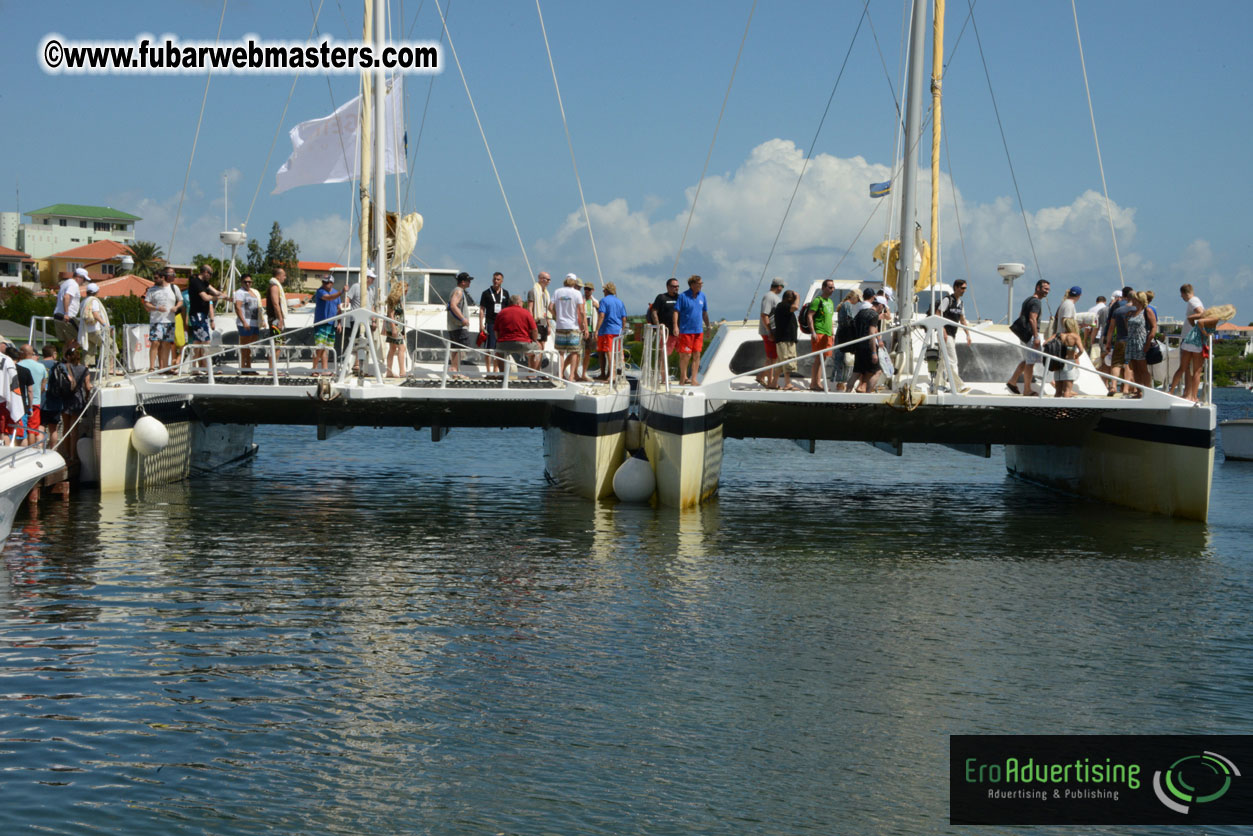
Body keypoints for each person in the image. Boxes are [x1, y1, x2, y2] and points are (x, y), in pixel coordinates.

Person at [1006, 279, 1050, 396]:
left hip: (1024, 335)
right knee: (1030, 363)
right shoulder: (1036, 302)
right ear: (1038, 288)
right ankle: (1027, 390)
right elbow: (1032, 318)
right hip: (1030, 335)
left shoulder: (1027, 300)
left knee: (1027, 360)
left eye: (1048, 289)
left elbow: (1021, 316)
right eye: (1045, 289)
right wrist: (1036, 336)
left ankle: (1012, 381)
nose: (1047, 291)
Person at [187, 263, 225, 374]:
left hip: (203, 315)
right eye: (210, 274)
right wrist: (217, 297)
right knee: (206, 341)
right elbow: (205, 297)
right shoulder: (196, 282)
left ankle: (195, 367)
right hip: (197, 314)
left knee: (198, 341)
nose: (211, 276)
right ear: (205, 272)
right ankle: (206, 367)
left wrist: (226, 296)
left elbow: (215, 291)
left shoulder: (205, 283)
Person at [937, 279, 972, 394]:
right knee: (952, 360)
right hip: (945, 334)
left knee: (943, 360)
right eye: (962, 288)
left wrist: (968, 334)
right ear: (956, 288)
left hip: (953, 334)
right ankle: (958, 386)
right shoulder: (947, 300)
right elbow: (938, 314)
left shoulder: (960, 303)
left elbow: (962, 319)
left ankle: (939, 384)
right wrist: (942, 330)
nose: (964, 290)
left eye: (965, 288)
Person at [673, 275, 710, 386]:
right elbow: (676, 312)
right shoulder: (683, 296)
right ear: (693, 284)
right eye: (699, 283)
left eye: (702, 283)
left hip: (698, 331)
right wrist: (675, 326)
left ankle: (694, 379)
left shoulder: (702, 296)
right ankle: (682, 377)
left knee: (697, 355)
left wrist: (708, 326)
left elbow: (704, 313)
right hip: (686, 331)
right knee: (686, 355)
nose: (701, 285)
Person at [143, 269, 181, 374]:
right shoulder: (151, 290)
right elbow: (146, 303)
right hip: (156, 320)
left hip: (169, 320)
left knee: (166, 344)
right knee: (155, 342)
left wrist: (176, 307)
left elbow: (180, 300)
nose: (154, 280)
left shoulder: (174, 288)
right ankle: (151, 367)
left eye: (156, 278)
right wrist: (156, 308)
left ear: (163, 277)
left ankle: (164, 367)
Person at [550, 274, 586, 381]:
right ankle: (571, 376)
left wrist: (557, 316)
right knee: (574, 352)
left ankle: (560, 375)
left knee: (561, 352)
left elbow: (550, 307)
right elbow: (582, 311)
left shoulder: (557, 291)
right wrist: (583, 324)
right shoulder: (577, 293)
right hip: (573, 326)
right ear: (574, 282)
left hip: (560, 325)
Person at [849, 295, 888, 393]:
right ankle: (868, 394)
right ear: (880, 305)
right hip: (868, 347)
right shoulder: (874, 315)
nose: (882, 310)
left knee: (856, 373)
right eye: (883, 307)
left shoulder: (861, 312)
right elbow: (871, 333)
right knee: (877, 371)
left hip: (858, 346)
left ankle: (846, 393)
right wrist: (874, 352)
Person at [493, 294, 542, 371]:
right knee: (538, 347)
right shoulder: (526, 312)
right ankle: (532, 374)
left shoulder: (501, 313)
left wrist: (500, 340)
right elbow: (535, 330)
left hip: (504, 344)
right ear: (518, 303)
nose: (522, 303)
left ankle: (502, 373)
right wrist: (534, 340)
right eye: (522, 302)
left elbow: (496, 331)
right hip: (523, 344)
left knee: (499, 352)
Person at [803, 279, 836, 392]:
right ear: (823, 288)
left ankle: (817, 382)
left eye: (833, 287)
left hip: (828, 334)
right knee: (819, 358)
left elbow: (830, 319)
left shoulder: (830, 302)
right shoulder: (818, 300)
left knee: (824, 358)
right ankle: (815, 383)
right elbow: (810, 315)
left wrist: (832, 333)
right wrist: (813, 331)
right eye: (830, 287)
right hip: (819, 332)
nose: (832, 289)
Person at [1102, 286, 1135, 396]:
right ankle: (1126, 388)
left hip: (1120, 340)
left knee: (1116, 363)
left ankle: (1113, 386)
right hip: (1132, 341)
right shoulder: (1137, 310)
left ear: (1124, 296)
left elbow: (1111, 328)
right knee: (1128, 365)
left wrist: (1108, 342)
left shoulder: (1118, 310)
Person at [1177, 283, 1206, 401]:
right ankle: (1189, 394)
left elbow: (1201, 313)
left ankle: (1188, 394)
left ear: (1184, 293)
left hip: (1189, 339)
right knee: (1190, 368)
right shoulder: (1196, 300)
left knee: (1187, 367)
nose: (1181, 297)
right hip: (1193, 338)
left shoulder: (1192, 301)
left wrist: (1191, 319)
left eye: (1181, 295)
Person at [312, 275, 346, 375]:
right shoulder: (320, 291)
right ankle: (314, 369)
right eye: (324, 282)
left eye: (327, 282)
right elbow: (329, 298)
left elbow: (339, 309)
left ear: (332, 283)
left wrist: (339, 322)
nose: (325, 284)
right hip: (321, 323)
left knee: (326, 348)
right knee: (319, 347)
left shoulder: (336, 293)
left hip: (331, 324)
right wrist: (342, 292)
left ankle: (325, 369)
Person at [594, 283, 627, 381]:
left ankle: (609, 374)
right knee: (615, 352)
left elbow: (601, 315)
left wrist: (596, 330)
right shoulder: (620, 302)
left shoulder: (604, 301)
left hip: (606, 330)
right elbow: (624, 318)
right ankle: (610, 373)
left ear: (606, 291)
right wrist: (622, 329)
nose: (603, 292)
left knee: (606, 352)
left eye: (604, 290)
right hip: (617, 331)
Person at [478, 271, 509, 373]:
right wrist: (481, 325)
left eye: (498, 279)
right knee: (489, 348)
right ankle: (488, 371)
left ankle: (496, 370)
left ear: (502, 281)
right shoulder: (486, 293)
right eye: (494, 279)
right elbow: (482, 309)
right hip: (490, 323)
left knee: (498, 348)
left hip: (502, 324)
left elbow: (508, 310)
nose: (496, 281)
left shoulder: (505, 293)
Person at [1123, 291, 1152, 397]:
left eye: (1135, 299)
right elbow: (1128, 327)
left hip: (1141, 341)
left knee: (1143, 368)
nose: (1133, 301)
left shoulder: (1146, 311)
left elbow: (1154, 327)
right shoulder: (1132, 312)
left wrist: (1148, 342)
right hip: (1131, 342)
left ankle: (1148, 391)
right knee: (1135, 368)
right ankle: (1139, 391)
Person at [756, 278, 784, 388]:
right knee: (772, 357)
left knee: (772, 357)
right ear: (779, 287)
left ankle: (761, 376)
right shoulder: (769, 297)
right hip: (769, 332)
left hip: (772, 331)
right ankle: (770, 382)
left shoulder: (773, 297)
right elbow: (764, 315)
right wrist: (769, 332)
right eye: (782, 286)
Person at [772, 289, 802, 390]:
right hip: (785, 340)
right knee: (787, 361)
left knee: (780, 363)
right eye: (793, 299)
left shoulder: (783, 307)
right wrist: (798, 297)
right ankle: (788, 384)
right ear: (789, 299)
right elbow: (795, 307)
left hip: (785, 339)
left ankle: (774, 383)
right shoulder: (783, 306)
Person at [233, 273, 263, 372]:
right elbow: (237, 308)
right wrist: (244, 322)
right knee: (244, 346)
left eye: (249, 282)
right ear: (241, 282)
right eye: (245, 282)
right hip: (244, 323)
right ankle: (243, 367)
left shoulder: (254, 292)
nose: (247, 284)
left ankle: (249, 366)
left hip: (254, 323)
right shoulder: (240, 292)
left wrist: (261, 320)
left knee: (251, 347)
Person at [446, 272, 474, 375]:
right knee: (461, 348)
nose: (470, 282)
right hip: (459, 327)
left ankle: (454, 370)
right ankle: (455, 369)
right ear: (463, 282)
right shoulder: (459, 291)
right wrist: (463, 319)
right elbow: (453, 305)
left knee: (455, 348)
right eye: (468, 280)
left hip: (453, 326)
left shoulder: (456, 290)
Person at [18, 344, 46, 446]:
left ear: (22, 353)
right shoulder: (41, 367)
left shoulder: (18, 365)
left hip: (21, 402)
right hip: (36, 401)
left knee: (21, 430)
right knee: (32, 429)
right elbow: (43, 386)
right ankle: (32, 449)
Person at [78, 282, 110, 370]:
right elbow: (95, 314)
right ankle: (109, 368)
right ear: (96, 292)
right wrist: (105, 324)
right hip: (95, 330)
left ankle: (85, 370)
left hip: (86, 331)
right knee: (110, 345)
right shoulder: (94, 301)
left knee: (89, 350)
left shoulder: (84, 301)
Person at [647, 277, 681, 360]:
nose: (676, 288)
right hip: (667, 332)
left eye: (677, 286)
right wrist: (658, 327)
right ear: (668, 287)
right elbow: (654, 312)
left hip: (680, 332)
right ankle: (661, 368)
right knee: (664, 355)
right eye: (674, 286)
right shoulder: (661, 297)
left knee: (684, 355)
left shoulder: (680, 298)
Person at [833, 290, 859, 391]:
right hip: (845, 335)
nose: (857, 302)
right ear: (854, 297)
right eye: (858, 299)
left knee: (840, 359)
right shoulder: (847, 305)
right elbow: (850, 321)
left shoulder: (842, 305)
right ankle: (842, 384)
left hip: (840, 333)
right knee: (846, 359)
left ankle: (840, 383)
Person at [53, 268, 86, 348]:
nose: (84, 282)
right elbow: (66, 296)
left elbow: (59, 298)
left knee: (68, 342)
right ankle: (71, 355)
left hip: (58, 315)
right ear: (78, 277)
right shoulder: (73, 285)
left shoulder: (66, 283)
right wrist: (66, 313)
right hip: (68, 317)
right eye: (84, 279)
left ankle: (66, 355)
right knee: (81, 338)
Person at [384, 281, 408, 378]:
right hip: (394, 327)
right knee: (402, 348)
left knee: (393, 348)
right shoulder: (393, 299)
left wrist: (403, 331)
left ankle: (389, 372)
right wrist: (394, 328)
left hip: (398, 327)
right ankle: (402, 371)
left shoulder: (399, 300)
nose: (406, 293)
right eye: (405, 290)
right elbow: (391, 314)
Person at [1053, 330, 1085, 398]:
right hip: (1069, 363)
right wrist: (1077, 356)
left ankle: (1056, 405)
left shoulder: (1058, 335)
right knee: (1067, 391)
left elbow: (1045, 343)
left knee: (1058, 392)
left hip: (1058, 362)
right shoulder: (1075, 336)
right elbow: (1081, 350)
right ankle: (1064, 405)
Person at [265, 276, 286, 372]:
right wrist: (280, 319)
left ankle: (272, 368)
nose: (285, 277)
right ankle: (271, 369)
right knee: (277, 344)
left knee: (279, 344)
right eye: (284, 275)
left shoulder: (275, 286)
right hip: (275, 320)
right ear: (278, 276)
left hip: (276, 319)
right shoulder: (274, 287)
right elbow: (275, 303)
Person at [527, 271, 553, 350]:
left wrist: (549, 326)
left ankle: (540, 358)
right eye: (547, 279)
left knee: (543, 344)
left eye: (549, 279)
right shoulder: (533, 291)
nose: (548, 281)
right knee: (537, 343)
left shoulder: (546, 293)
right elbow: (530, 308)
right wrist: (531, 323)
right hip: (536, 321)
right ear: (540, 279)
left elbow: (547, 310)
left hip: (544, 322)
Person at [580, 282, 599, 380]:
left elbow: (601, 315)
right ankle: (575, 372)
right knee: (577, 352)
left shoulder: (595, 301)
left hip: (591, 329)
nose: (586, 291)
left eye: (589, 289)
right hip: (581, 329)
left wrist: (598, 307)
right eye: (585, 289)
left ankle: (583, 373)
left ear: (593, 290)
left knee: (588, 352)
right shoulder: (580, 299)